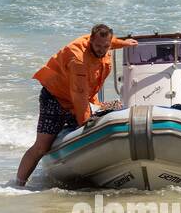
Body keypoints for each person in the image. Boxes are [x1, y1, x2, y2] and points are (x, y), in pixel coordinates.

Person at [15, 25, 138, 185]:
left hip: (79, 97)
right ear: (90, 41)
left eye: (106, 46)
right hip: (55, 98)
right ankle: (18, 183)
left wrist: (125, 43)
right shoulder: (78, 60)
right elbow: (79, 97)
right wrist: (86, 125)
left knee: (115, 107)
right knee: (41, 147)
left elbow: (110, 41)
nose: (102, 50)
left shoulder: (103, 42)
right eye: (98, 46)